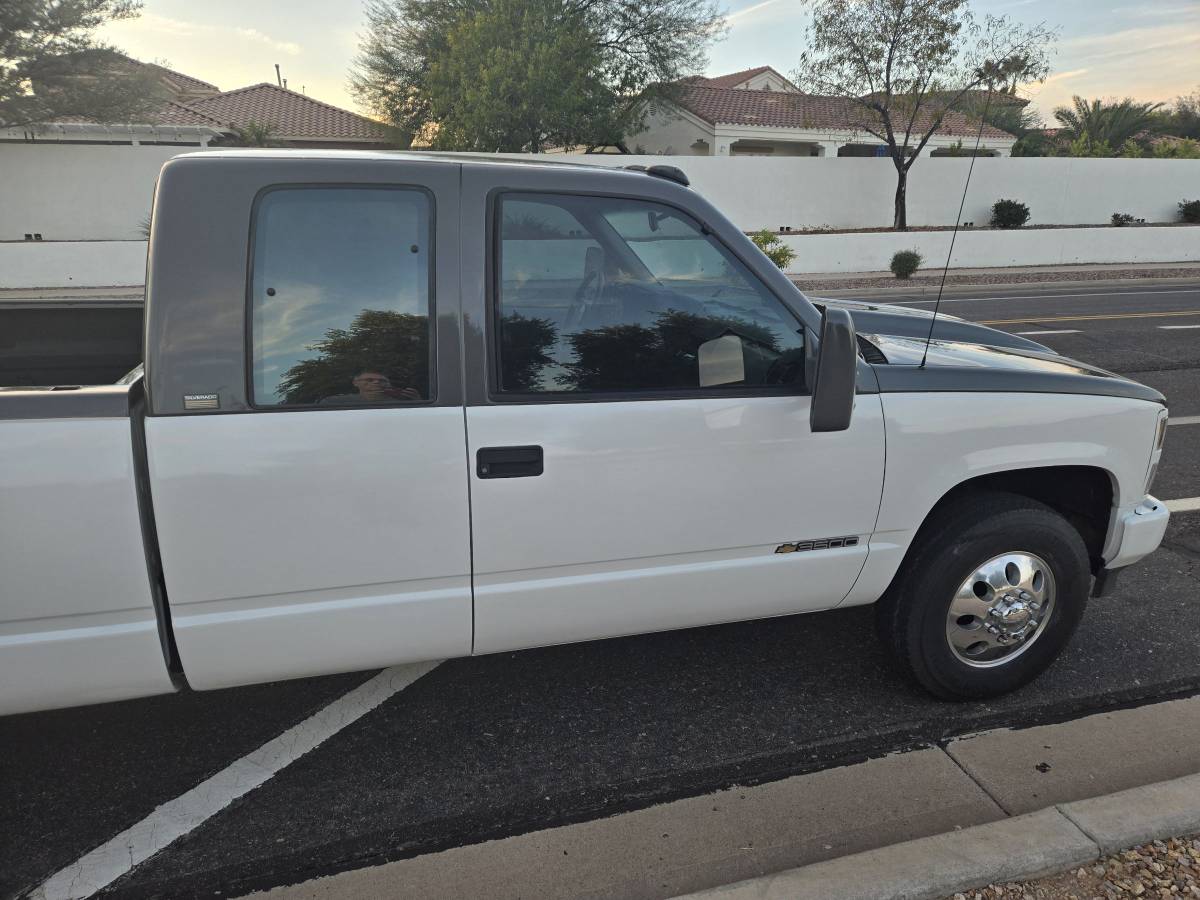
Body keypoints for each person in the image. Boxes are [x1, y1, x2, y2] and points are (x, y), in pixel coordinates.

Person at [319, 370, 421, 405]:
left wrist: (417, 402)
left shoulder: (405, 403)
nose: (376, 382)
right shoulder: (335, 402)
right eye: (369, 380)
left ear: (389, 384)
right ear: (355, 383)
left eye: (382, 381)